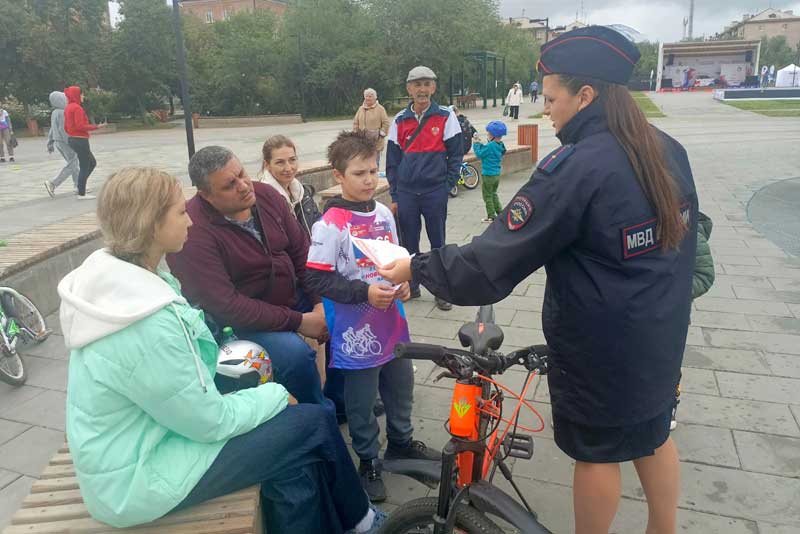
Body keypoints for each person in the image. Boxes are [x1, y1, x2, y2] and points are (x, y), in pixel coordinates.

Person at [378, 26, 699, 534]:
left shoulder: (575, 167)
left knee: (596, 454)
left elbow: (491, 262)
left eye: (551, 98)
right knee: (653, 435)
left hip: (601, 345)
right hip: (660, 332)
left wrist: (415, 268)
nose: (545, 109)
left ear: (586, 95)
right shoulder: (665, 147)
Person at [58, 167, 385, 534]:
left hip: (144, 446)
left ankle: (351, 522)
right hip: (136, 480)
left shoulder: (123, 285)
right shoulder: (144, 321)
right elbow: (208, 421)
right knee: (313, 423)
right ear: (151, 226)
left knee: (294, 460)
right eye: (180, 212)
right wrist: (275, 395)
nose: (190, 222)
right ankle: (364, 522)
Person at [306, 130, 439, 503]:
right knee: (362, 401)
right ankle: (368, 459)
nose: (368, 180)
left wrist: (406, 282)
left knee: (401, 385)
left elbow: (395, 260)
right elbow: (315, 276)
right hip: (354, 331)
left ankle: (400, 442)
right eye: (359, 173)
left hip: (392, 322)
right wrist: (363, 293)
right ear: (338, 175)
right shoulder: (329, 223)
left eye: (373, 171)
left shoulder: (383, 212)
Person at [166, 146, 332, 412]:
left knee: (344, 317)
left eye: (242, 173)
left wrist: (320, 303)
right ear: (206, 195)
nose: (244, 186)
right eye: (230, 185)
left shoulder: (266, 196)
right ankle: (316, 415)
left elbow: (303, 253)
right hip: (242, 323)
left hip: (292, 296)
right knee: (295, 356)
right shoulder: (194, 231)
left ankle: (343, 400)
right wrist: (300, 321)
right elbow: (227, 305)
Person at [386, 65, 463, 312]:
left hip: (434, 191)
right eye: (417, 84)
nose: (422, 89)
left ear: (434, 87)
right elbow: (392, 162)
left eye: (426, 84)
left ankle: (442, 291)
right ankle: (414, 285)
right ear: (409, 89)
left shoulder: (445, 116)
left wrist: (447, 185)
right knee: (409, 242)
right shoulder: (399, 120)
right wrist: (396, 195)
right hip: (407, 192)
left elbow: (456, 154)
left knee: (438, 242)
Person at [671, 211, 715, 430]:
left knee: (667, 364)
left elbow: (704, 274)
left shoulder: (685, 219)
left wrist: (664, 295)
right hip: (630, 313)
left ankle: (668, 404)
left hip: (669, 315)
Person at [258, 135, 321, 239]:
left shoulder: (303, 193)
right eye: (280, 162)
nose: (288, 168)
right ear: (267, 165)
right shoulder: (264, 201)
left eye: (292, 160)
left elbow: (318, 224)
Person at [64, 86, 105, 199]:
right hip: (79, 139)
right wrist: (96, 126)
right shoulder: (77, 108)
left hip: (73, 138)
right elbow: (80, 125)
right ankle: (81, 193)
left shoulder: (68, 108)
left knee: (91, 162)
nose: (83, 96)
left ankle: (80, 186)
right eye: (81, 94)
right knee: (85, 165)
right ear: (76, 95)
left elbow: (66, 126)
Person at [44, 91, 80, 196]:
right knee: (72, 164)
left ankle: (79, 186)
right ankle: (53, 183)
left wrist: (50, 143)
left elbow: (52, 129)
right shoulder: (64, 112)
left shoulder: (55, 112)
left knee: (73, 164)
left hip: (58, 142)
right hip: (66, 142)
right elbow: (64, 130)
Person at [472, 120, 507, 222]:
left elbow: (479, 154)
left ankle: (491, 215)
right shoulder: (500, 144)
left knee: (487, 195)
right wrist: (482, 144)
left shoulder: (491, 145)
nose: (487, 134)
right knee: (493, 193)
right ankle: (500, 212)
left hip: (488, 174)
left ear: (493, 135)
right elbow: (488, 150)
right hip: (496, 174)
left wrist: (475, 144)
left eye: (488, 133)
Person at [352, 88, 391, 170]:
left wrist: (381, 134)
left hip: (375, 142)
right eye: (366, 96)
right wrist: (355, 133)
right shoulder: (360, 109)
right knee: (363, 162)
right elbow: (356, 122)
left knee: (374, 163)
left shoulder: (380, 109)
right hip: (362, 141)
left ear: (375, 97)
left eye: (370, 96)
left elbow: (386, 123)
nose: (368, 98)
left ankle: (375, 180)